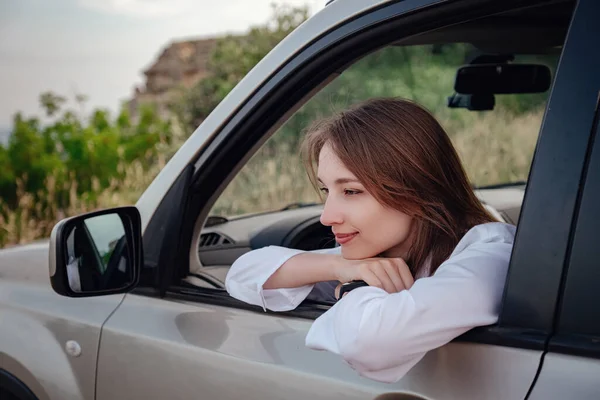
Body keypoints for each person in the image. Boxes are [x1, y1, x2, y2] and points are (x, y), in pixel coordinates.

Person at [225, 98, 516, 383]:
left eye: (351, 191)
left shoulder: (492, 256)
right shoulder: (380, 252)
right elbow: (243, 275)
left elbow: (369, 344)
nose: (327, 217)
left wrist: (352, 288)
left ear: (418, 189)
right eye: (327, 190)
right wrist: (340, 267)